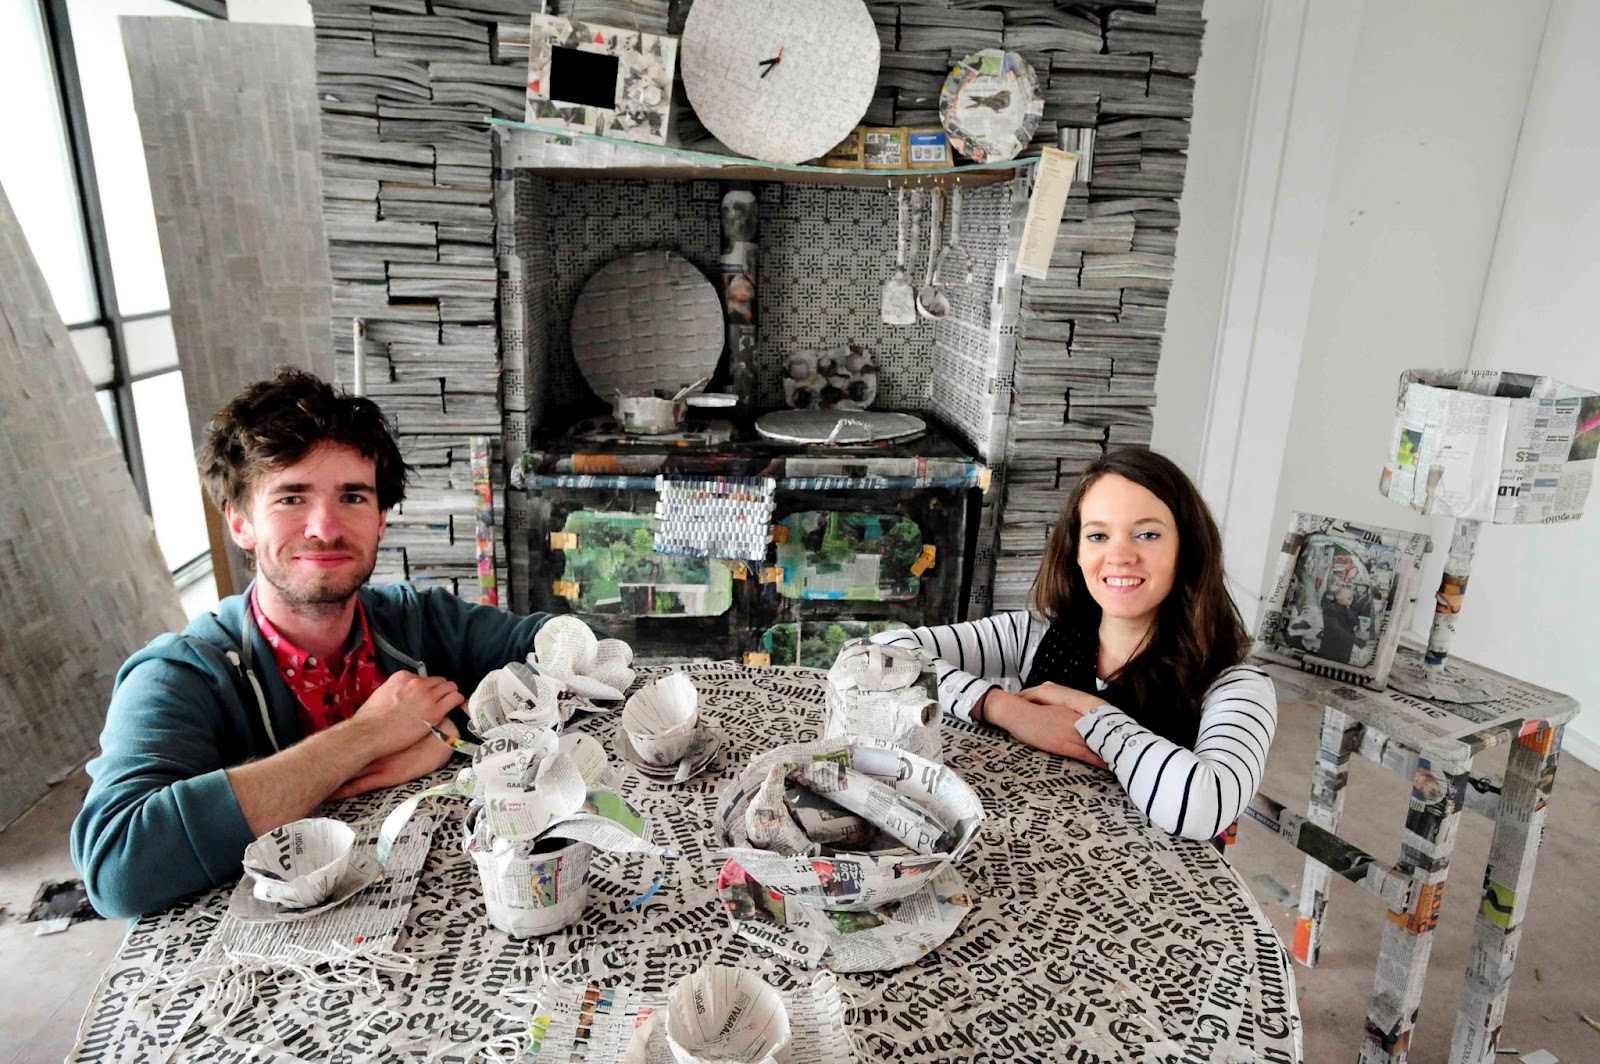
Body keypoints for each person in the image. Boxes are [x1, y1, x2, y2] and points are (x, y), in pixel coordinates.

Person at [72, 369, 575, 918]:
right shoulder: (178, 674)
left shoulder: (421, 619)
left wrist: (453, 734)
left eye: (353, 496)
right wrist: (369, 735)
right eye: (291, 497)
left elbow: (574, 650)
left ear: (381, 520)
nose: (325, 527)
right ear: (241, 523)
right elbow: (119, 868)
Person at [871, 449, 1277, 842]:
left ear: (1186, 550)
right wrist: (1004, 708)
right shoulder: (1034, 634)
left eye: (1147, 534)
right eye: (1098, 535)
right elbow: (880, 654)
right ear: (1076, 552)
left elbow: (1201, 808)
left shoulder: (1236, 685)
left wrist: (1092, 712)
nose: (1119, 555)